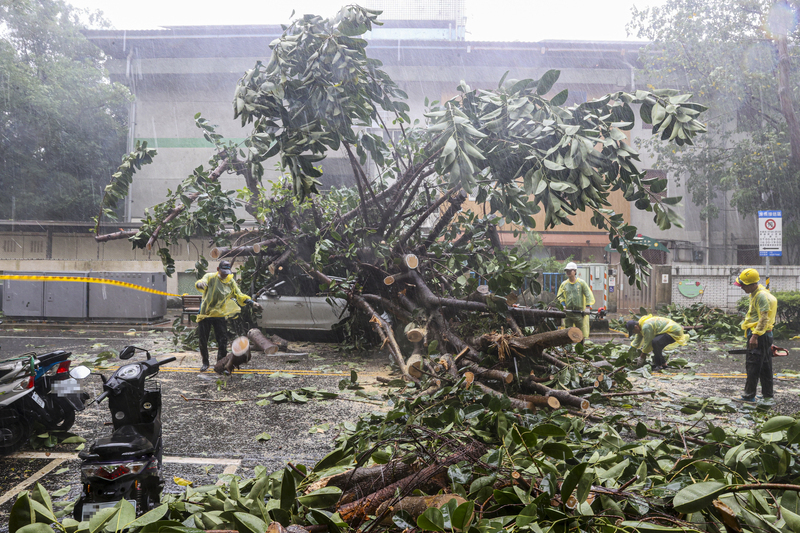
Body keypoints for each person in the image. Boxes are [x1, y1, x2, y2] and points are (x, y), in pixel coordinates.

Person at [195, 260, 261, 372]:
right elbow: (201, 281)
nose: (225, 274)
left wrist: (252, 303)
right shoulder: (210, 277)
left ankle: (220, 364)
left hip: (220, 314)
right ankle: (205, 363)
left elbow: (239, 295)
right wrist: (200, 284)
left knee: (223, 340)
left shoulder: (230, 282)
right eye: (223, 271)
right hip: (205, 313)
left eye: (227, 272)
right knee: (203, 340)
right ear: (218, 269)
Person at [735, 268, 777, 402]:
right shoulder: (759, 292)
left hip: (758, 335)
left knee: (753, 365)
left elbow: (764, 318)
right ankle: (767, 395)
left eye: (744, 285)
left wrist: (755, 336)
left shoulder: (761, 296)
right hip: (765, 335)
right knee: (765, 365)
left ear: (752, 284)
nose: (741, 287)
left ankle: (749, 396)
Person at [557, 262, 595, 341]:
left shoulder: (581, 283)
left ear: (575, 271)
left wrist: (587, 307)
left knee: (580, 332)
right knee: (567, 332)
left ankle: (581, 347)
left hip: (579, 312)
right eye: (566, 271)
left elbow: (588, 294)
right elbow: (560, 296)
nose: (568, 272)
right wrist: (563, 305)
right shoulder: (564, 284)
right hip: (568, 312)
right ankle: (568, 349)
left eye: (570, 270)